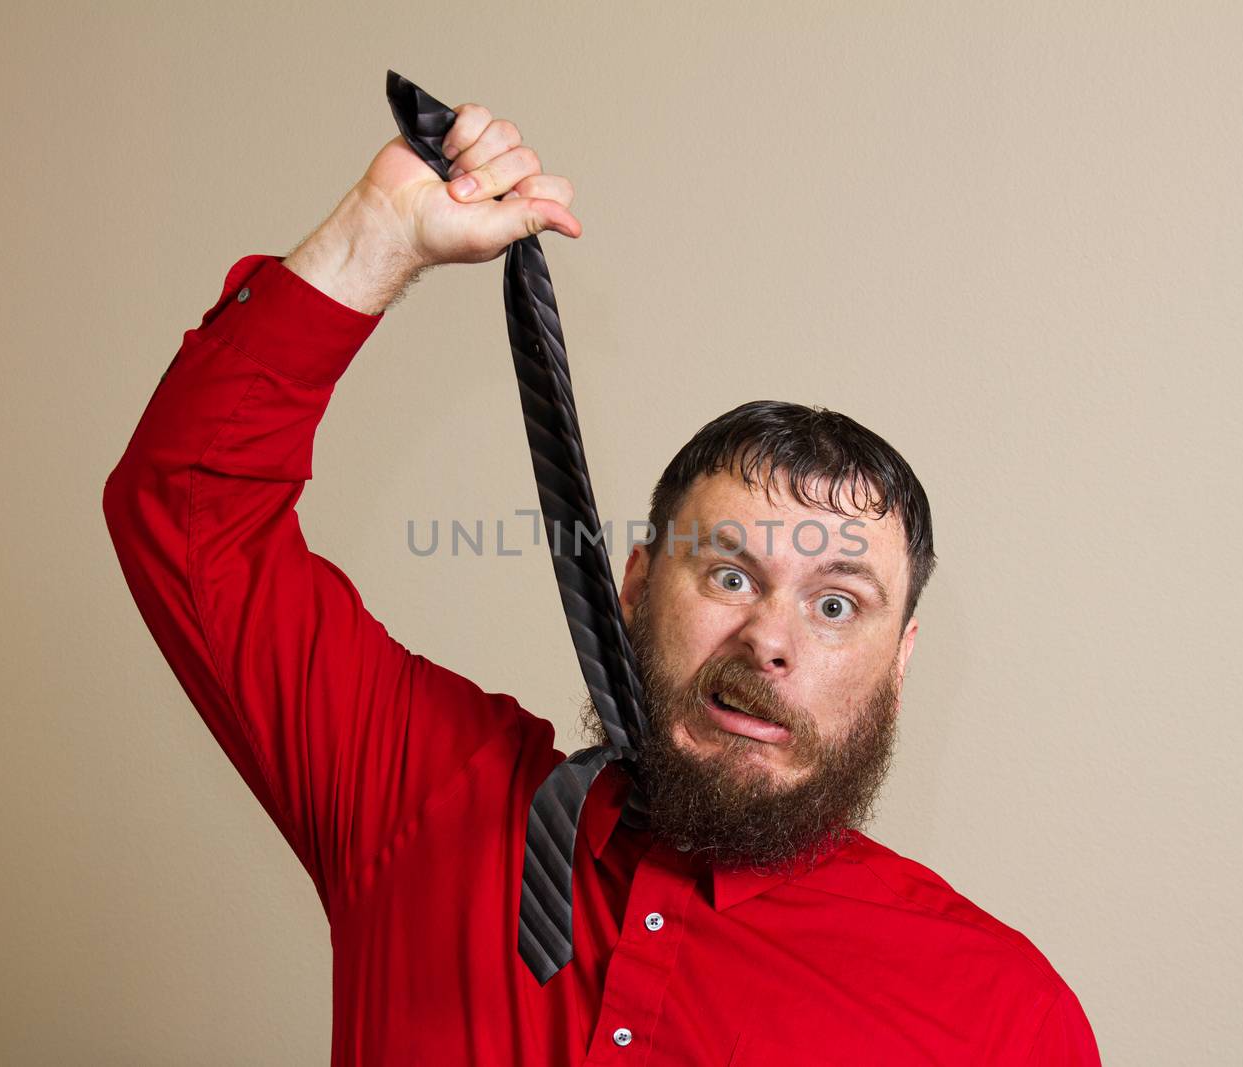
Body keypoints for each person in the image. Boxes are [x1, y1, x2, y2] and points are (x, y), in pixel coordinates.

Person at [103, 100, 1102, 1066]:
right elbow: (188, 514)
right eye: (727, 571)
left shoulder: (1001, 1014)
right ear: (633, 584)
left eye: (836, 601)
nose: (770, 638)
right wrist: (377, 238)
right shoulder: (418, 794)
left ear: (900, 657)